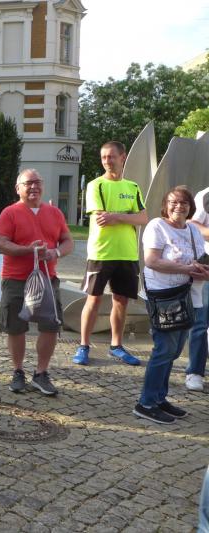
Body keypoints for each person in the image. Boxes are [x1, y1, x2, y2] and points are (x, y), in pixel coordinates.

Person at [134, 187, 209, 423]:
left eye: (184, 203)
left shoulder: (193, 230)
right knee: (164, 349)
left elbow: (199, 261)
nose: (179, 206)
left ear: (191, 207)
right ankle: (146, 403)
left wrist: (203, 271)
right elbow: (152, 261)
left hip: (190, 296)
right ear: (165, 206)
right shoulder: (157, 226)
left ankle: (159, 398)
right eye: (173, 202)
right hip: (164, 297)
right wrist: (187, 269)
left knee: (175, 350)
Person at [0, 169, 74, 395]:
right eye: (28, 183)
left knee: (51, 326)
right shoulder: (9, 213)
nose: (33, 187)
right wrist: (28, 250)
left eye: (37, 182)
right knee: (15, 327)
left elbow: (68, 241)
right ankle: (18, 371)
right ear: (18, 188)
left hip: (48, 278)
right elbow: (1, 244)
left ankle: (41, 373)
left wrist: (55, 253)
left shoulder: (55, 213)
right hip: (16, 279)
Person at [74, 141, 148, 366]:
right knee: (93, 299)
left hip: (127, 254)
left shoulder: (132, 187)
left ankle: (116, 346)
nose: (107, 161)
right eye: (104, 157)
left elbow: (143, 218)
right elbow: (101, 218)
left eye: (111, 156)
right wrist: (127, 216)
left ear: (122, 157)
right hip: (101, 253)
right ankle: (83, 345)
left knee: (121, 301)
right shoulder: (96, 185)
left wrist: (116, 216)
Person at [187, 185, 209, 391]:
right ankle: (195, 372)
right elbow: (191, 222)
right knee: (200, 322)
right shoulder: (206, 194)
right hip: (207, 264)